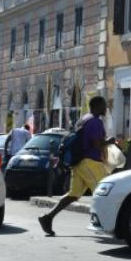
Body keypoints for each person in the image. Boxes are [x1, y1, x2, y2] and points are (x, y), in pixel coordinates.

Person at [38, 96, 109, 237]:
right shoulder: (95, 122)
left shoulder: (83, 119)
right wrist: (110, 142)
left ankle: (48, 217)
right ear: (97, 106)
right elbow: (96, 145)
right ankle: (108, 224)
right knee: (104, 192)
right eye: (104, 105)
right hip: (90, 162)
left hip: (79, 162)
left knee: (73, 194)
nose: (106, 107)